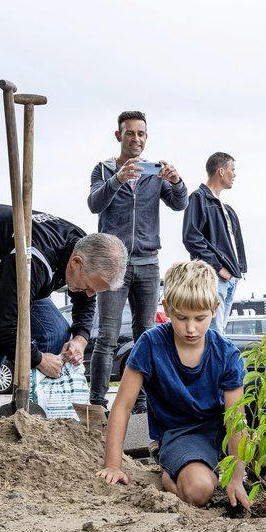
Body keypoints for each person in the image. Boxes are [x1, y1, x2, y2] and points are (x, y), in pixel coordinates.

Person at [0, 204, 127, 425]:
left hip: (3, 266)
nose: (89, 294)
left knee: (55, 330)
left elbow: (85, 301)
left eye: (94, 290)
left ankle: (35, 413)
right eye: (88, 286)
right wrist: (38, 359)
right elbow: (0, 329)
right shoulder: (34, 260)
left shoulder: (84, 247)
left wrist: (80, 338)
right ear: (76, 262)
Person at [95, 260, 249, 509]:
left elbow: (235, 420)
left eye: (200, 318)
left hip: (220, 428)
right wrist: (113, 465)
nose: (190, 328)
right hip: (181, 433)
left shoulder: (226, 353)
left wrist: (236, 476)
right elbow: (122, 406)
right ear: (166, 308)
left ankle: (254, 470)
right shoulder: (151, 343)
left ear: (214, 309)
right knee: (199, 490)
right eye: (181, 318)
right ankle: (170, 471)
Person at [86, 110, 187, 414]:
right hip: (112, 265)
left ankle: (142, 405)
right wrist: (117, 179)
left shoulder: (154, 174)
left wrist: (177, 180)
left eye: (141, 133)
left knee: (146, 335)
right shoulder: (103, 170)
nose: (136, 138)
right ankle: (97, 404)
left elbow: (180, 203)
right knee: (107, 335)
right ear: (118, 136)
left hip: (147, 263)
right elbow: (94, 204)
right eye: (130, 133)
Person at [182, 152, 247, 333]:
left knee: (219, 334)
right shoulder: (198, 198)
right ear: (221, 171)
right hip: (214, 278)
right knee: (213, 333)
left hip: (230, 278)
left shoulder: (225, 208)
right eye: (232, 169)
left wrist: (235, 272)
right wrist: (218, 268)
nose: (234, 174)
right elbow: (191, 237)